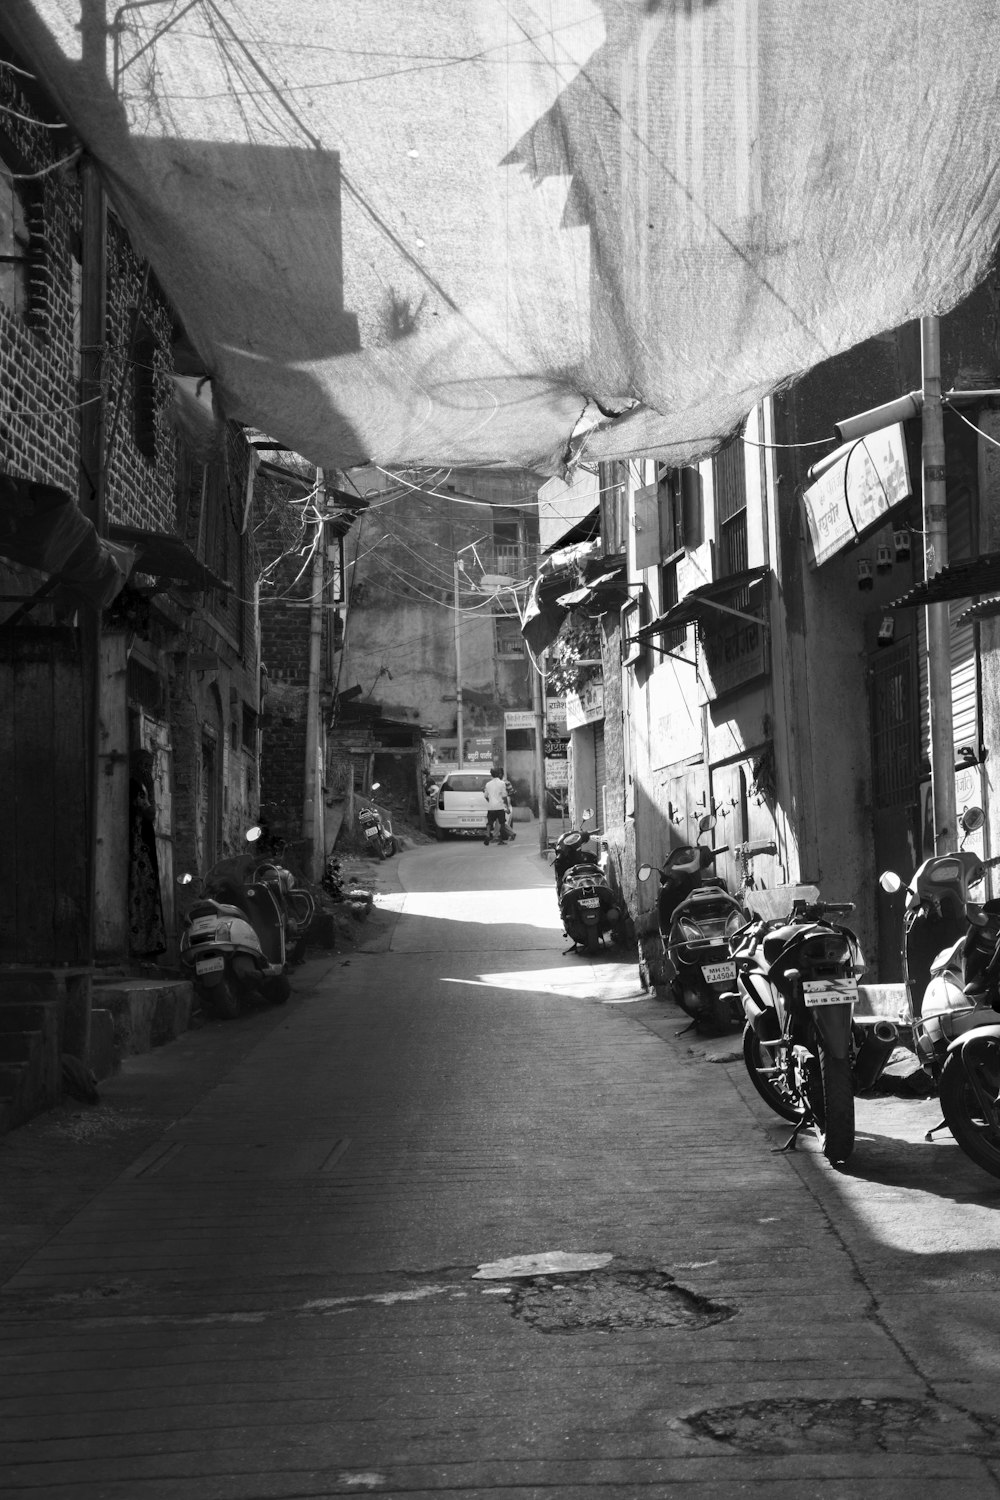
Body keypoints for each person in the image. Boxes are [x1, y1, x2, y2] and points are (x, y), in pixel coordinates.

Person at [483, 766, 511, 845]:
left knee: (489, 823)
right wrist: (506, 807)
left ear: (491, 774)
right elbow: (504, 796)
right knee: (502, 823)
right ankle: (501, 839)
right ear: (499, 774)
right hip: (499, 807)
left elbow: (485, 796)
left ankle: (488, 835)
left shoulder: (488, 784)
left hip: (491, 807)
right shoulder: (502, 783)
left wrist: (490, 801)